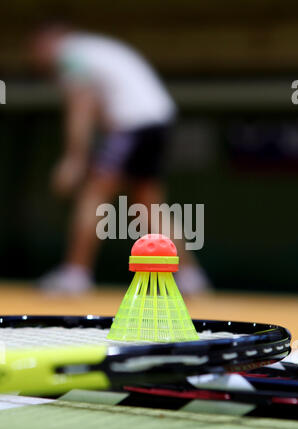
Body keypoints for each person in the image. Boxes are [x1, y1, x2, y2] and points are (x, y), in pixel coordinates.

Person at [30, 24, 210, 295]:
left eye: (35, 49)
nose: (35, 58)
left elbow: (81, 104)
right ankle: (189, 276)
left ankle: (75, 274)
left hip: (131, 123)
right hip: (158, 119)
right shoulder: (94, 48)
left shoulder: (71, 54)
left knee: (95, 193)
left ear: (48, 41)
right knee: (148, 204)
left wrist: (74, 158)